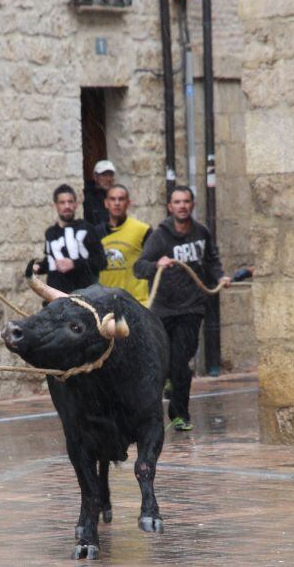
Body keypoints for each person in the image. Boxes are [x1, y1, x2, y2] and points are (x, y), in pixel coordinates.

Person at [134, 186, 231, 431]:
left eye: (186, 201)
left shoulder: (202, 232)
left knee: (180, 361)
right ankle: (162, 401)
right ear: (170, 207)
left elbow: (212, 260)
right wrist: (157, 264)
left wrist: (220, 276)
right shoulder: (160, 236)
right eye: (177, 202)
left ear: (192, 204)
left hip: (191, 308)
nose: (182, 206)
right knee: (163, 362)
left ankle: (180, 414)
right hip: (163, 309)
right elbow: (139, 267)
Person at [35, 184, 106, 294]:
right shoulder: (50, 233)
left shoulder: (87, 229)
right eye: (62, 202)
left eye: (70, 202)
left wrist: (74, 264)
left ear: (76, 205)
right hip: (55, 297)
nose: (67, 206)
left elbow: (101, 261)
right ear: (55, 205)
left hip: (82, 296)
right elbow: (52, 261)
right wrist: (38, 267)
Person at [95, 184, 152, 305]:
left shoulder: (142, 230)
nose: (117, 203)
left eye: (121, 199)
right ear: (106, 203)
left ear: (128, 203)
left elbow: (153, 264)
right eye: (113, 199)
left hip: (137, 302)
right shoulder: (96, 233)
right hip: (106, 303)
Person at [83, 159, 116, 226]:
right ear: (95, 177)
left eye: (111, 175)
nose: (108, 179)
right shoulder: (87, 197)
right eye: (104, 175)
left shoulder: (116, 197)